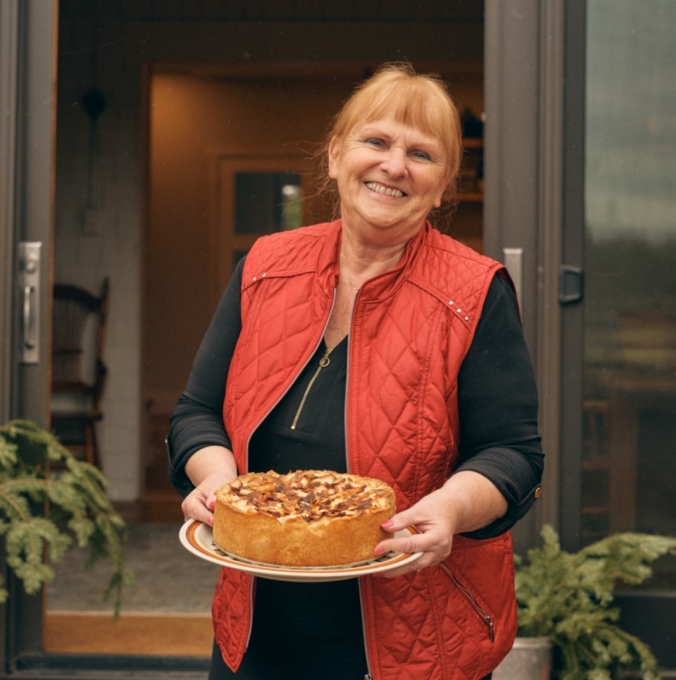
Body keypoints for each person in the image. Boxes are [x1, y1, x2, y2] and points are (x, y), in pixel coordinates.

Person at [168, 63, 544, 680]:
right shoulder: (265, 266)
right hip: (259, 624)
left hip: (414, 636)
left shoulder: (474, 291)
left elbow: (512, 454)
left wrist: (449, 508)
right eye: (376, 141)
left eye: (420, 153)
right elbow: (196, 413)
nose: (394, 166)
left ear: (445, 183)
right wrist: (217, 483)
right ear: (337, 152)